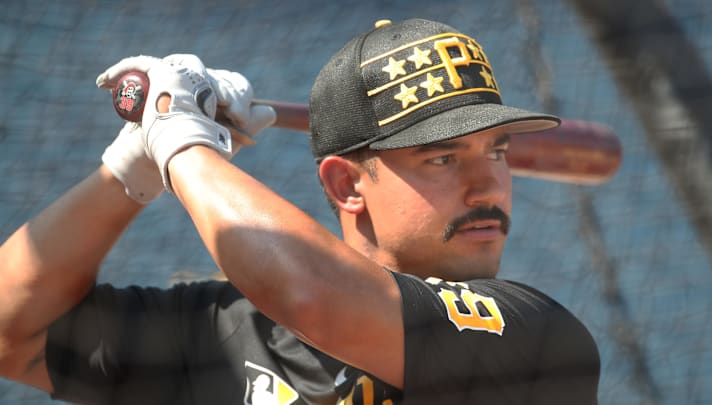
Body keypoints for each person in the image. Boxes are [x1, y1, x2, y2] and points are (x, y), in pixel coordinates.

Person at [0, 18, 600, 405]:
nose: (486, 187)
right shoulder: (222, 334)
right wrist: (130, 166)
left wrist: (180, 143)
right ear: (346, 185)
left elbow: (314, 296)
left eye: (497, 151)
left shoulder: (536, 337)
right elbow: (12, 332)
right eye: (442, 160)